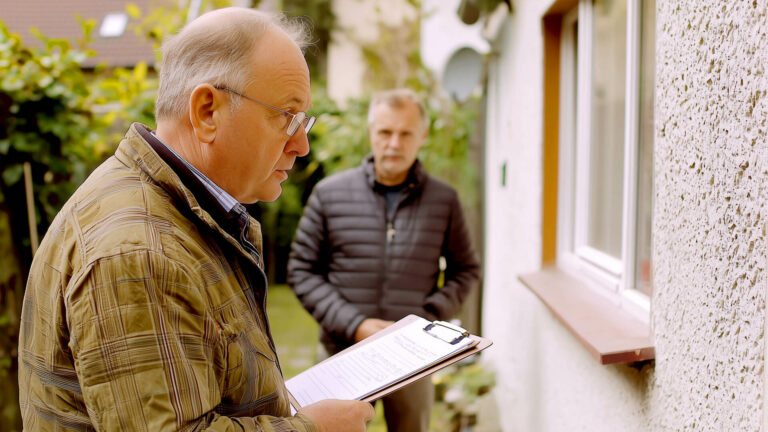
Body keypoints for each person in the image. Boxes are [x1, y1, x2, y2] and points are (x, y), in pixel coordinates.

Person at [18, 7, 374, 432]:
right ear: (207, 111)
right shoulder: (139, 252)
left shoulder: (177, 213)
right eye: (287, 116)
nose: (302, 144)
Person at [287, 88, 481, 432]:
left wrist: (424, 322)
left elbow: (466, 271)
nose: (394, 143)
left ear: (422, 136)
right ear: (371, 133)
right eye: (385, 132)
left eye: (405, 133)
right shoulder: (329, 194)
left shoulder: (444, 200)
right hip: (341, 352)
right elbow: (302, 270)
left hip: (414, 357)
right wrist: (355, 324)